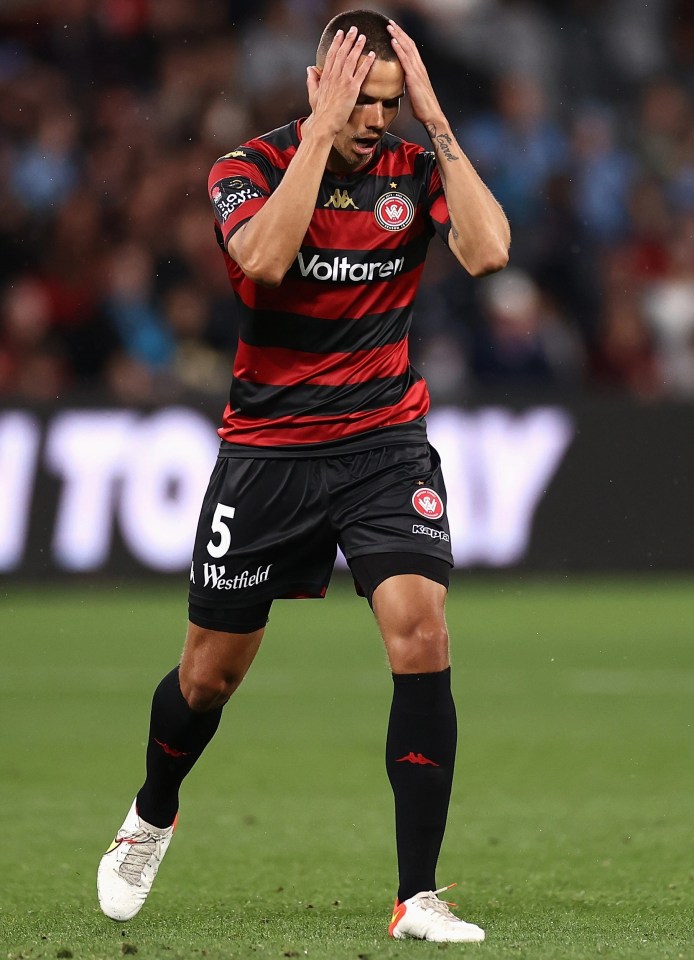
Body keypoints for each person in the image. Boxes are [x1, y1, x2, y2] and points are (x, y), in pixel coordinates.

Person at [97, 9, 509, 943]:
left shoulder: (416, 168)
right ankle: (153, 810)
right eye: (359, 99)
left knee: (422, 631)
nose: (376, 118)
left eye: (388, 102)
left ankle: (418, 896)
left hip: (383, 443)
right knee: (208, 678)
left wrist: (439, 124)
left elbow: (487, 252)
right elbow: (264, 259)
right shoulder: (245, 169)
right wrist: (317, 139)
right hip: (268, 455)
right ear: (320, 81)